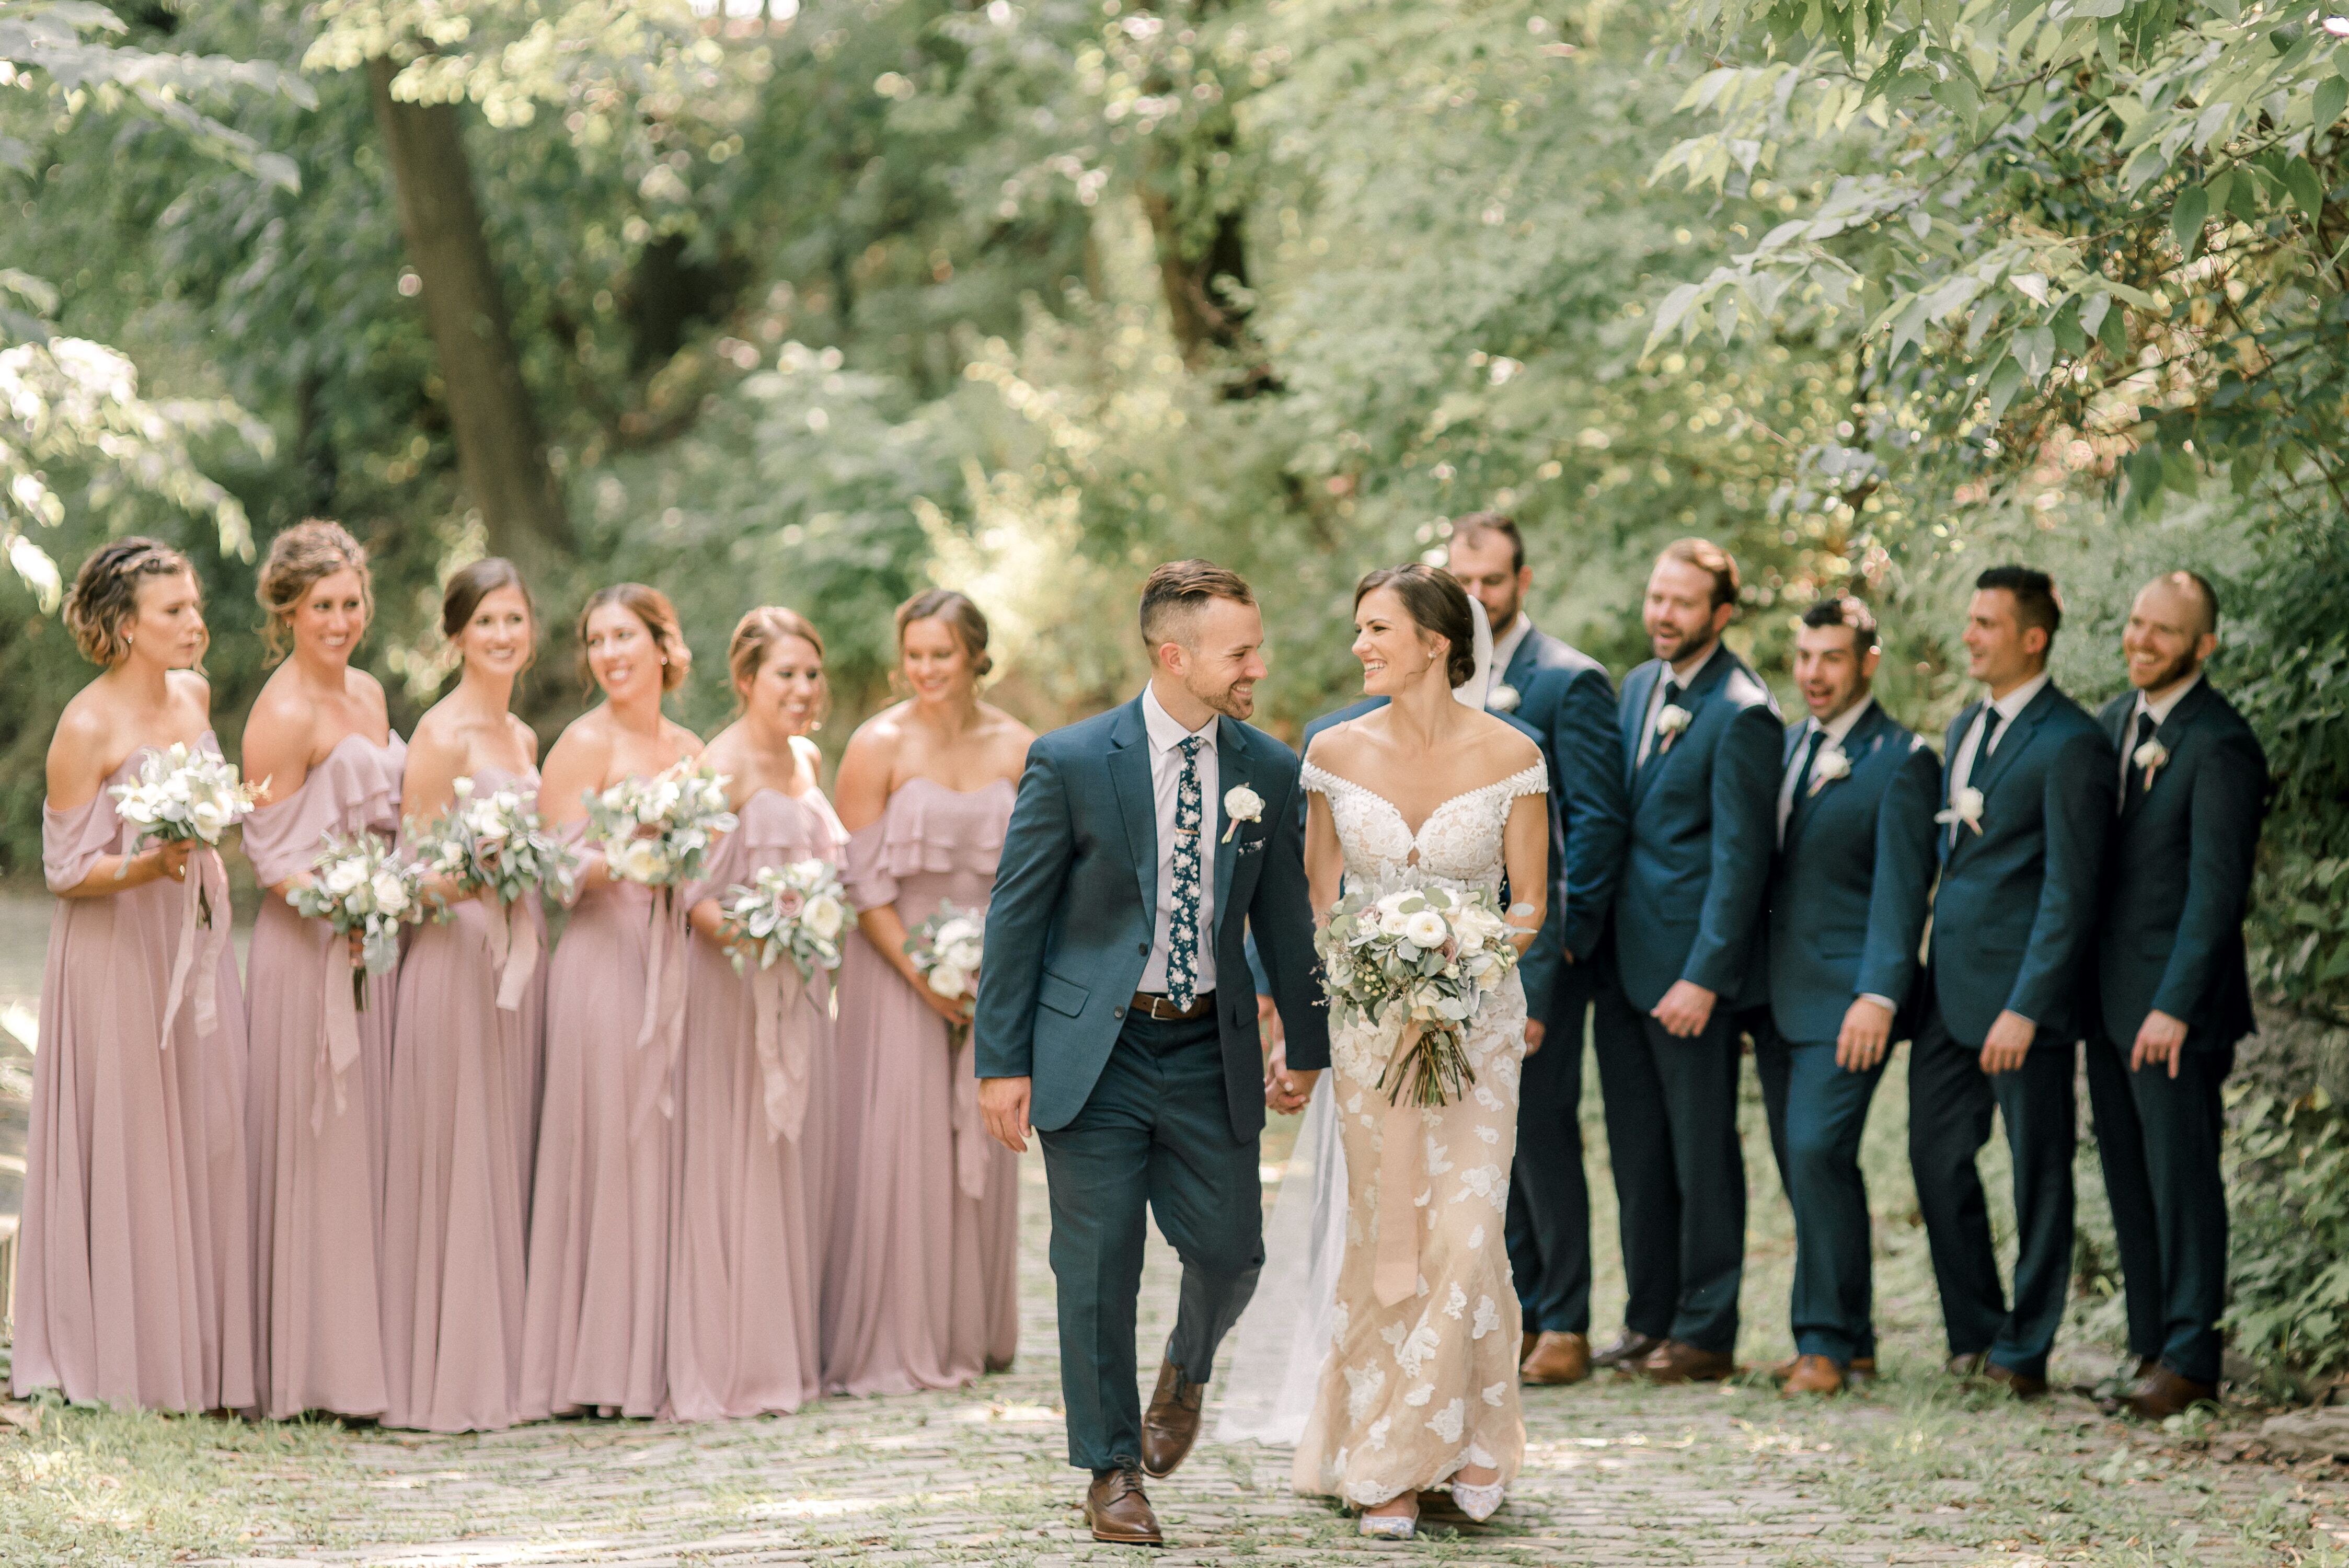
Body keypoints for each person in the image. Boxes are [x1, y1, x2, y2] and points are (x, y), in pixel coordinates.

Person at [974, 560, 1327, 1548]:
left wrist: (1307, 1043)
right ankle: (1112, 1469)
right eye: (1241, 651)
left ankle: (1188, 1365)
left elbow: (1285, 918)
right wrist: (999, 1061)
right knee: (1096, 1267)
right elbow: (1017, 915)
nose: (1258, 665)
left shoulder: (1268, 768)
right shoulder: (1073, 760)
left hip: (1208, 1047)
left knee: (1231, 1249)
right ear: (1175, 657)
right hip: (1096, 1048)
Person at [1289, 564, 1548, 1539]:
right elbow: (1320, 899)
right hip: (1369, 1030)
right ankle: (1387, 1463)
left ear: (1435, 643)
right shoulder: (1330, 752)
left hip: (1477, 1027)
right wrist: (1376, 972)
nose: (1359, 646)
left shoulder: (1515, 754)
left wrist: (1462, 962)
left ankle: (1474, 1439)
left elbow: (1526, 902)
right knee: (1387, 1231)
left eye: (1376, 629)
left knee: (1466, 1229)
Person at [11, 540, 257, 1413]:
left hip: (189, 937)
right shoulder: (86, 726)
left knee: (204, 1124)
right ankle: (118, 1351)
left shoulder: (193, 696)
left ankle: (199, 1352)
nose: (195, 622)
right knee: (130, 1135)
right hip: (115, 950)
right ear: (123, 627)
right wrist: (150, 866)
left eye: (194, 606)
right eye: (174, 611)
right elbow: (66, 871)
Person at [1912, 565, 2114, 1399]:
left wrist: (2026, 1008)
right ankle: (1973, 1333)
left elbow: (2071, 891)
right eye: (1969, 619)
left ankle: (2025, 1351)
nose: (1969, 634)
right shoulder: (1965, 727)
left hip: (2019, 1005)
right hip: (1945, 991)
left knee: (2037, 1173)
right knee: (1935, 1157)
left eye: (1986, 623)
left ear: (2032, 637)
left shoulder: (2073, 744)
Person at [824, 591, 1032, 1396]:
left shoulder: (1020, 746)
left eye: (941, 654)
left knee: (981, 1140)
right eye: (913, 654)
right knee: (900, 1144)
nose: (925, 670)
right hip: (893, 970)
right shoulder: (875, 745)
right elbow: (861, 881)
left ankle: (970, 1329)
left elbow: (1040, 873)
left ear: (976, 655)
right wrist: (920, 974)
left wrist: (997, 973)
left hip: (995, 976)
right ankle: (895, 1333)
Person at [1592, 538, 1779, 1382]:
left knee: (1702, 1155)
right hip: (1622, 965)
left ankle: (1704, 1333)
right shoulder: (1636, 688)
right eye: (1656, 597)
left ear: (1721, 614)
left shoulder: (1743, 710)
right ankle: (1647, 1320)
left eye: (1681, 603)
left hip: (1687, 977)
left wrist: (1705, 976)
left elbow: (1744, 863)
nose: (1662, 614)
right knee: (1637, 1153)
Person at [1447, 513, 1627, 1386]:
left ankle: (1567, 1320)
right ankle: (1513, 1311)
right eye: (1462, 581)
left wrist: (1553, 966)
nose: (1476, 597)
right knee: (1487, 1142)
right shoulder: (1443, 678)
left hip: (1536, 958)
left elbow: (1590, 830)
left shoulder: (1566, 681)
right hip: (1449, 956)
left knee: (1545, 1138)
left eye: (1490, 582)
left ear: (1523, 582)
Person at [519, 584, 703, 1421]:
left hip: (676, 955)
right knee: (606, 1140)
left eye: (624, 636)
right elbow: (553, 870)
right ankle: (592, 1366)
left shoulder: (690, 745)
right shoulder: (579, 744)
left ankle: (656, 1357)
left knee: (663, 1143)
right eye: (596, 640)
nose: (609, 653)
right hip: (600, 957)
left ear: (663, 646)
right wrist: (627, 859)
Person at [2086, 571, 2266, 1420]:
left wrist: (2173, 1005)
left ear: (2203, 646)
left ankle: (2191, 1358)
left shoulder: (2220, 743)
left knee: (2182, 1178)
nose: (2141, 642)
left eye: (2163, 631)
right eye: (2134, 624)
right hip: (2106, 1002)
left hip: (2173, 1012)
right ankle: (2149, 1346)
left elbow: (2213, 891)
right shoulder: (2112, 725)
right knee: (2129, 1177)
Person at [1754, 597, 1938, 1397]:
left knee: (1817, 1151)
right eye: (1803, 656)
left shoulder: (1901, 759)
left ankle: (1821, 1345)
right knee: (1808, 1169)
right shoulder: (1788, 747)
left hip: (1847, 1000)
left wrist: (1878, 995)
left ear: (1867, 660)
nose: (1812, 673)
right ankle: (1855, 1336)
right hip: (1775, 999)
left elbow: (1903, 894)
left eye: (1830, 657)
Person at [240, 520, 404, 1422]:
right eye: (322, 607)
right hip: (304, 952)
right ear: (289, 613)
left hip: (366, 946)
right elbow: (269, 858)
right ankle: (305, 1374)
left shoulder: (374, 694)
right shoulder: (279, 715)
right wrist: (343, 909)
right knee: (312, 1145)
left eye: (350, 603)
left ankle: (360, 1365)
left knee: (360, 1146)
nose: (340, 621)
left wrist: (381, 902)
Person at [379, 558, 545, 1432]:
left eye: (515, 620)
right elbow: (411, 875)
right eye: (486, 622)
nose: (503, 636)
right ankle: (443, 1374)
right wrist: (476, 874)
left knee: (501, 1145)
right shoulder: (438, 735)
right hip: (451, 956)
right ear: (455, 636)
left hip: (513, 961)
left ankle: (502, 1362)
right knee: (456, 1149)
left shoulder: (521, 738)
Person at [670, 607, 845, 1419]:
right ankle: (734, 1360)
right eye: (786, 674)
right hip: (733, 988)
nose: (803, 689)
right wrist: (763, 940)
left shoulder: (808, 758)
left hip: (797, 988)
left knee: (781, 1151)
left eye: (812, 673)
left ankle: (782, 1351)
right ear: (745, 681)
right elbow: (692, 896)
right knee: (736, 1146)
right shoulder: (721, 763)